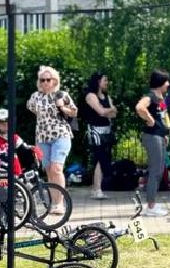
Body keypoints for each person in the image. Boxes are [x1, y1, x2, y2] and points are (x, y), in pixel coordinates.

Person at [27, 66, 77, 189]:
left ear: (54, 80)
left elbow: (74, 112)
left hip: (60, 135)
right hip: (42, 137)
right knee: (49, 171)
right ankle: (54, 203)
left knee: (56, 169)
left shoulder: (61, 95)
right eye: (42, 80)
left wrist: (62, 107)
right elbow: (32, 109)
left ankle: (60, 204)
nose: (45, 82)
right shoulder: (35, 97)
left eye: (48, 79)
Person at [135, 69, 170, 216]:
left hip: (159, 136)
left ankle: (152, 204)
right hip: (152, 136)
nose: (168, 84)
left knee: (159, 169)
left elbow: (162, 118)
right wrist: (149, 120)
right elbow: (139, 107)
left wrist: (164, 133)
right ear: (160, 82)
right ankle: (150, 206)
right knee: (155, 170)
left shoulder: (161, 97)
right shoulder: (150, 96)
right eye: (166, 81)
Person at [81, 72, 117, 200]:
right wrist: (107, 111)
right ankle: (97, 189)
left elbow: (114, 113)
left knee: (102, 159)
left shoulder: (106, 96)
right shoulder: (91, 96)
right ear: (98, 81)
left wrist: (107, 111)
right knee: (100, 159)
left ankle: (96, 188)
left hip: (106, 131)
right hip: (95, 131)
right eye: (104, 80)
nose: (106, 83)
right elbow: (100, 111)